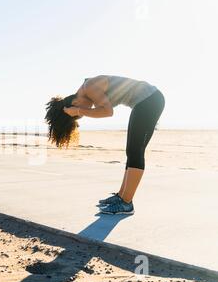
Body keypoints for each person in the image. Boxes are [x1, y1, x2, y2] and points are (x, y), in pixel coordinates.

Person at [45, 75, 165, 215]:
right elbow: (102, 108)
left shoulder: (89, 87)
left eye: (79, 115)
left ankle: (126, 203)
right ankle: (121, 197)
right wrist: (77, 111)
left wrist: (78, 111)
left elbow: (108, 112)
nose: (82, 115)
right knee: (131, 151)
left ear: (76, 102)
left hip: (150, 100)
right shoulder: (87, 89)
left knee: (135, 150)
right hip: (146, 101)